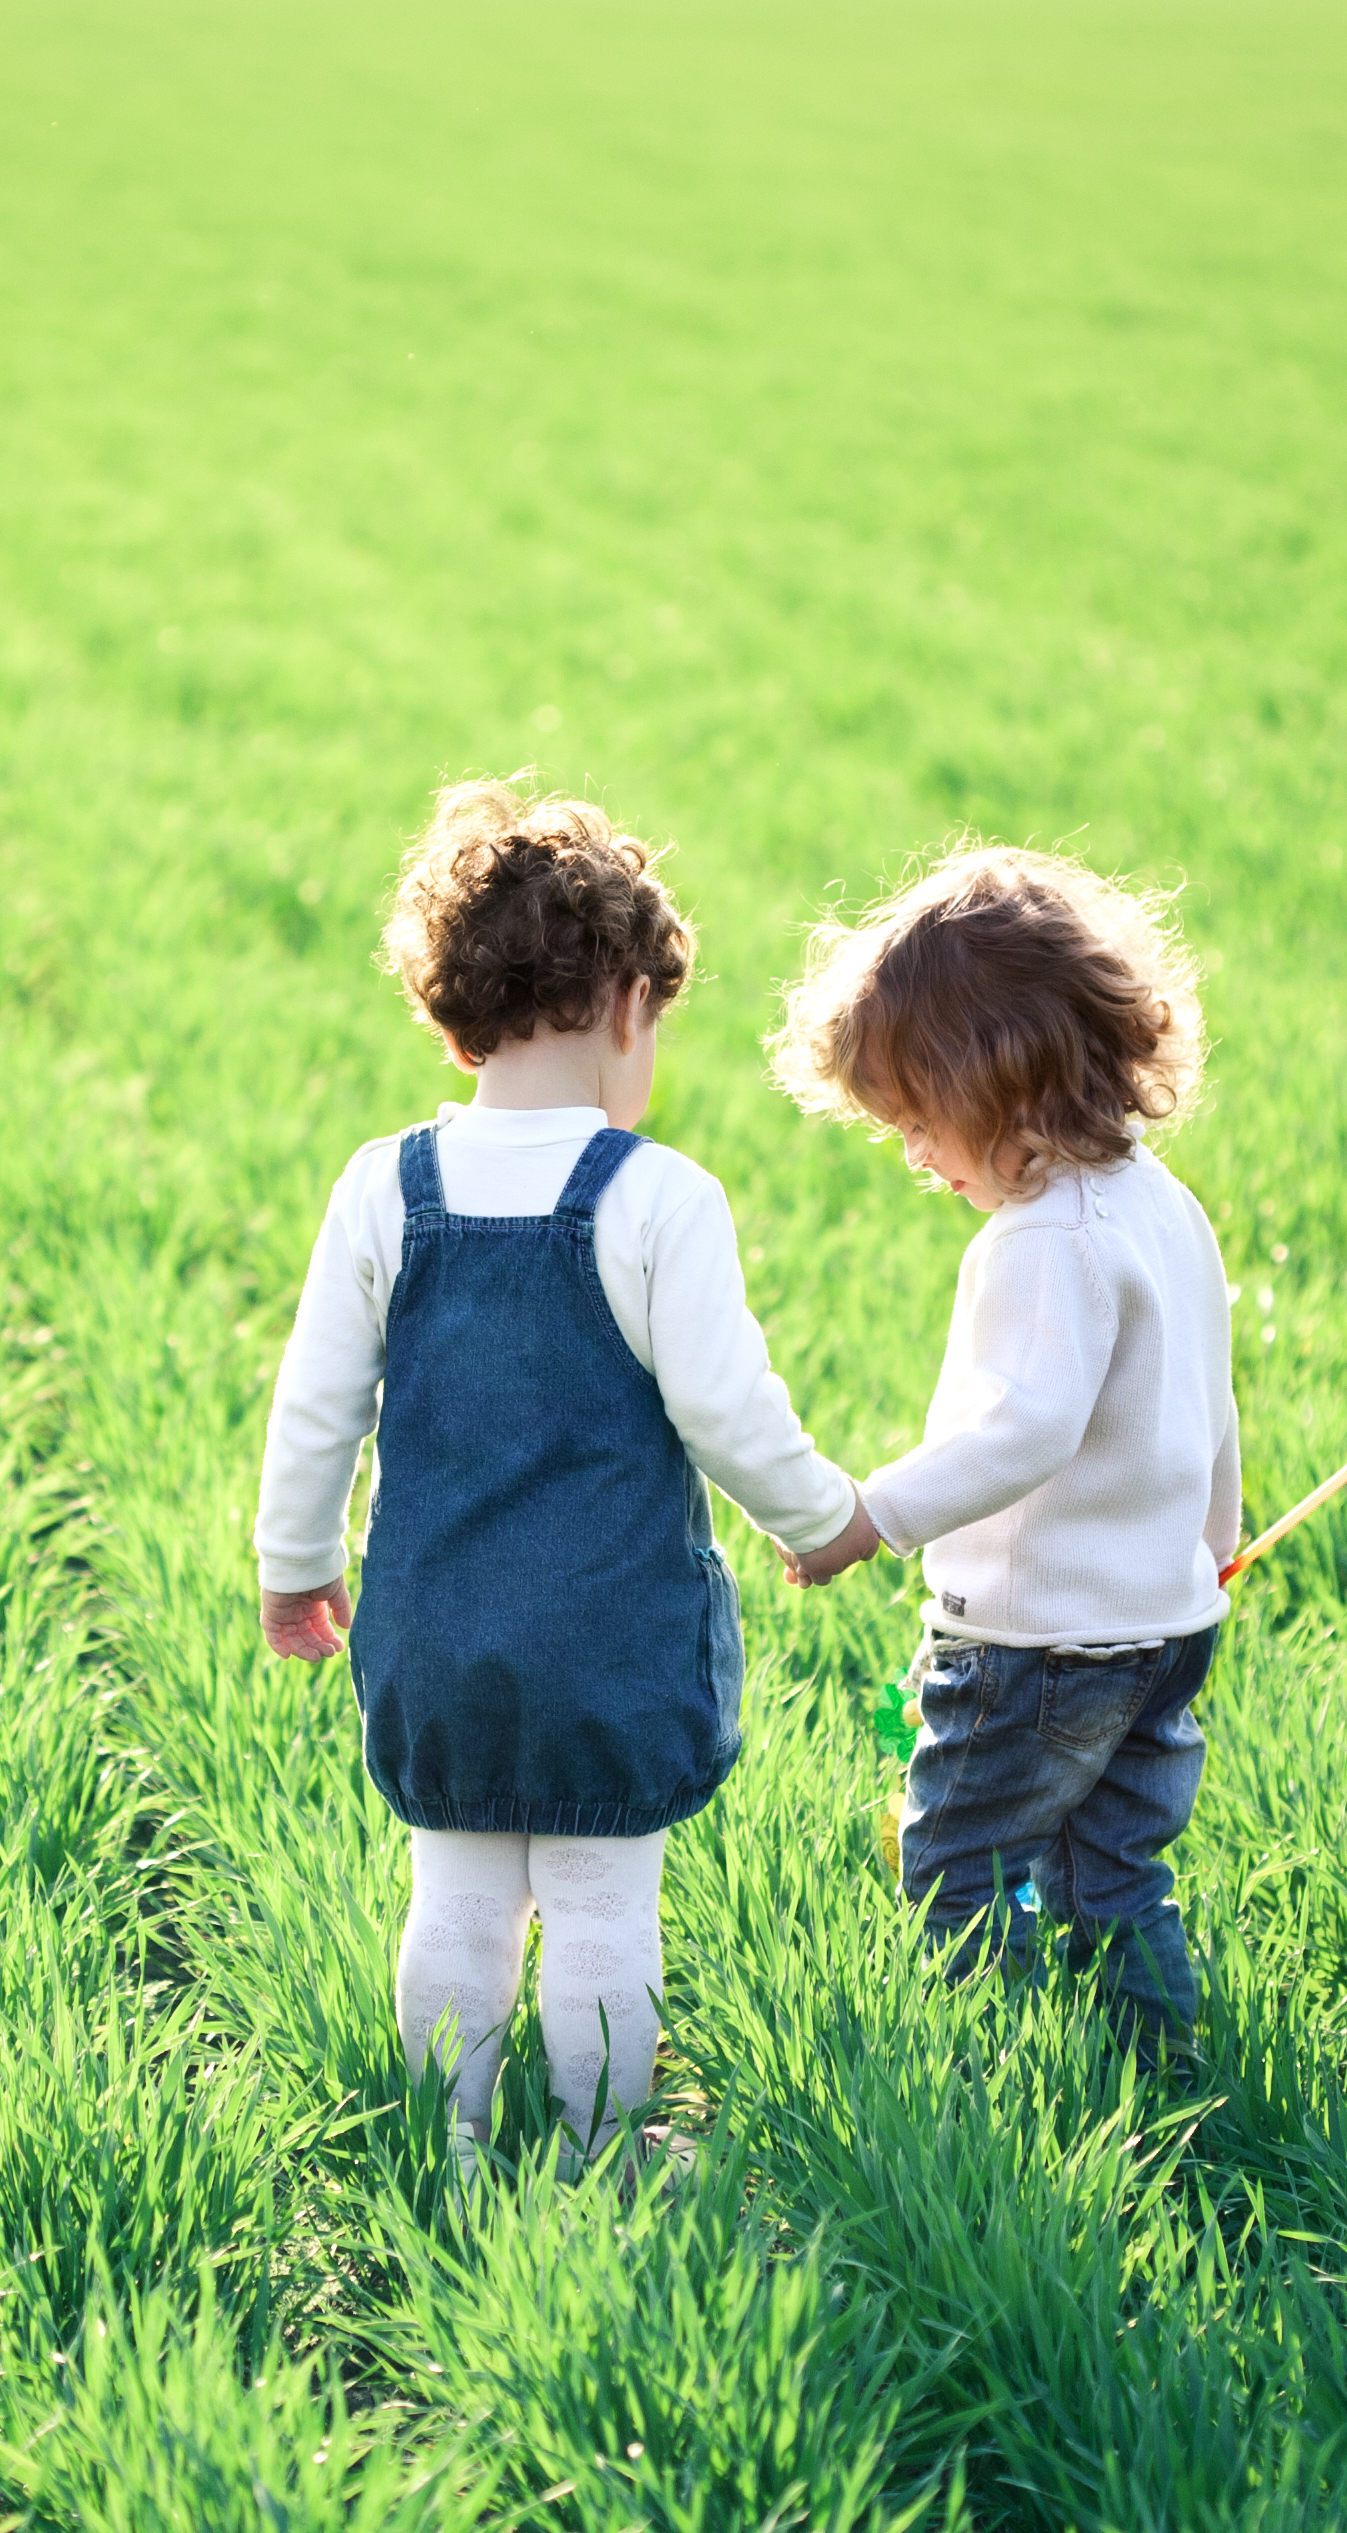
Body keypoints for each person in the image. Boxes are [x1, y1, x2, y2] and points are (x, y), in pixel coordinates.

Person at [256, 779, 860, 2175]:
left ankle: (446, 2142)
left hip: (439, 1626)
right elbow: (727, 1407)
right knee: (601, 1900)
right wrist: (819, 1519)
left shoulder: (382, 1184)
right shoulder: (655, 1197)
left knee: (456, 1898)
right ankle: (601, 2146)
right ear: (626, 1006)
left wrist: (297, 1564)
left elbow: (316, 1405)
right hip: (609, 1638)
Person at [772, 845, 1237, 2063]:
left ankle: (992, 2075)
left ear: (1002, 1082)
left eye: (924, 1123)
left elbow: (1025, 1429)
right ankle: (1161, 2074)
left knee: (954, 1865)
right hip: (1163, 1627)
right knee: (1113, 1872)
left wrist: (872, 1514)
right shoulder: (1159, 1203)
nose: (918, 1157)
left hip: (1039, 1645)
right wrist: (1210, 1547)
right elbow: (1207, 1397)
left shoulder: (1047, 1239)